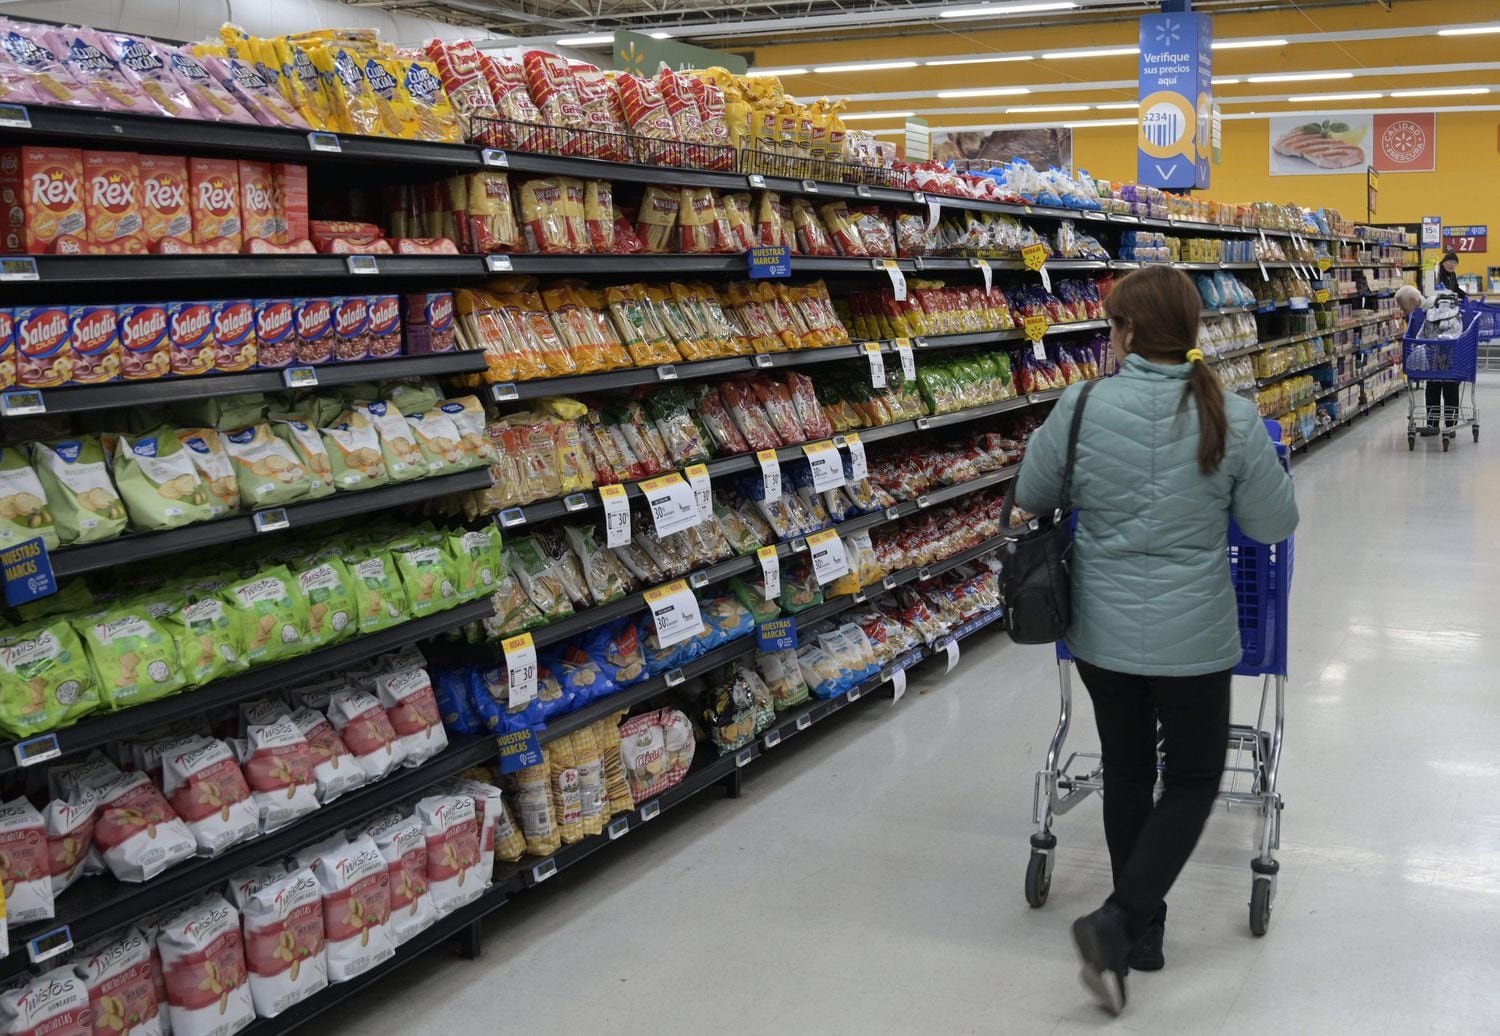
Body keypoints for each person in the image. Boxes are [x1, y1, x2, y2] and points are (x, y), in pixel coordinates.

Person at [1014, 266, 1298, 1016]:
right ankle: (1121, 922)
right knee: (1195, 779)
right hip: (1196, 637)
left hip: (1102, 635)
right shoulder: (1230, 416)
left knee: (1129, 770)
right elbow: (1275, 525)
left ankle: (1142, 931)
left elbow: (1031, 496)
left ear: (1129, 333)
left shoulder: (1079, 405)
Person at [1396, 284, 1460, 431]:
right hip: (1434, 360)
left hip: (1448, 358)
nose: (1402, 310)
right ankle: (1434, 424)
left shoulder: (1434, 308)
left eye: (1403, 306)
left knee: (1447, 388)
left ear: (1413, 300)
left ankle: (1448, 426)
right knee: (1433, 388)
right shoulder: (1420, 312)